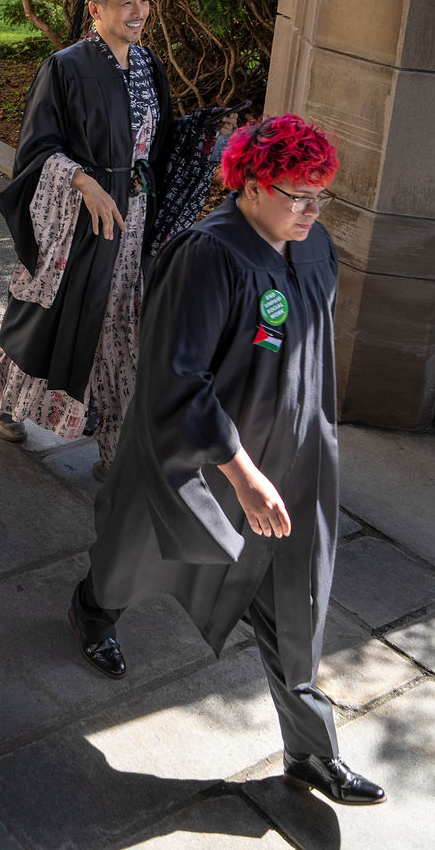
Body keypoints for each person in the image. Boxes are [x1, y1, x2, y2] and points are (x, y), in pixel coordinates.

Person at [68, 115, 386, 809]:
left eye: (319, 195)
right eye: (296, 194)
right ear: (249, 182)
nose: (310, 211)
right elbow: (179, 378)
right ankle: (93, 607)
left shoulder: (317, 246)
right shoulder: (209, 255)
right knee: (136, 555)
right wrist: (241, 475)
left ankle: (311, 754)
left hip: (298, 465)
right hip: (207, 462)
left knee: (297, 605)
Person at [0, 0, 230, 469]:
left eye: (143, 1)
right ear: (95, 8)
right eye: (125, 3)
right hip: (77, 219)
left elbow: (153, 146)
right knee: (49, 315)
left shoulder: (147, 64)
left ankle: (118, 446)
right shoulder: (66, 67)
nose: (138, 12)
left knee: (123, 321)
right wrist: (83, 181)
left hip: (135, 214)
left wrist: (209, 135)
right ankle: (2, 398)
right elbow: (36, 149)